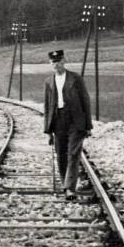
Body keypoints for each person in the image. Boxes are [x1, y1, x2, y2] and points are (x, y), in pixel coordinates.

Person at [43, 49, 92, 199]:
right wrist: (48, 130)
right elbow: (47, 106)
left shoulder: (76, 79)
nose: (56, 64)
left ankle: (69, 188)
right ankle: (66, 183)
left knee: (73, 154)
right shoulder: (48, 82)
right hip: (58, 121)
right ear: (50, 63)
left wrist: (88, 125)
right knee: (61, 154)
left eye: (59, 61)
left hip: (75, 121)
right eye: (53, 62)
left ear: (64, 61)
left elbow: (85, 101)